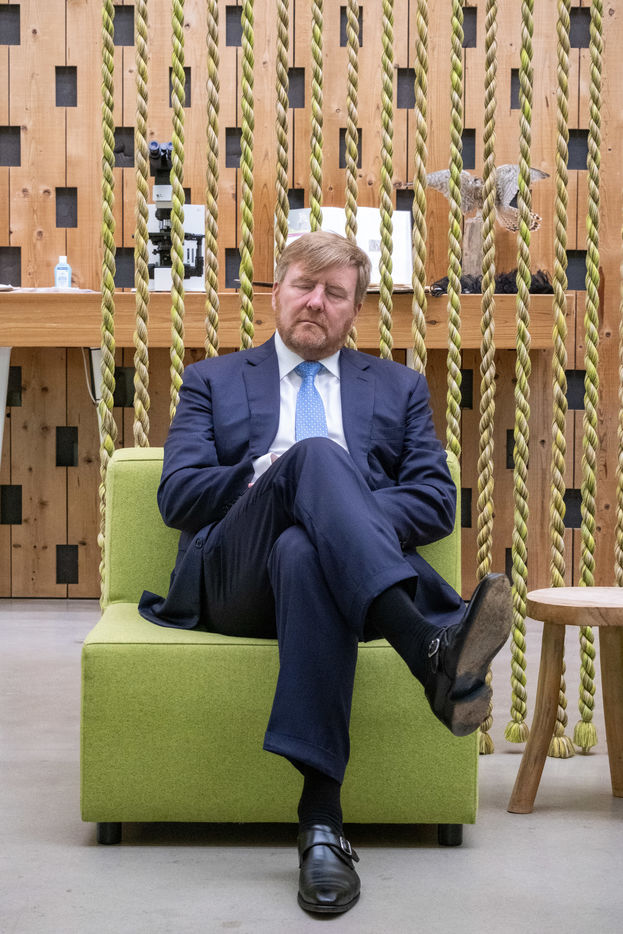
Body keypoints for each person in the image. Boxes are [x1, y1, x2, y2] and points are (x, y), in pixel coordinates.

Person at [139, 231, 512, 916]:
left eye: (334, 293)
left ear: (355, 309)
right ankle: (424, 645)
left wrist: (331, 513)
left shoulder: (398, 388)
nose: (315, 301)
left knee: (305, 551)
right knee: (310, 457)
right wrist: (278, 477)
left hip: (329, 576)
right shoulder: (211, 380)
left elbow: (435, 499)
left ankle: (321, 824)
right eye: (303, 286)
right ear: (276, 293)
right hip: (234, 577)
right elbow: (178, 495)